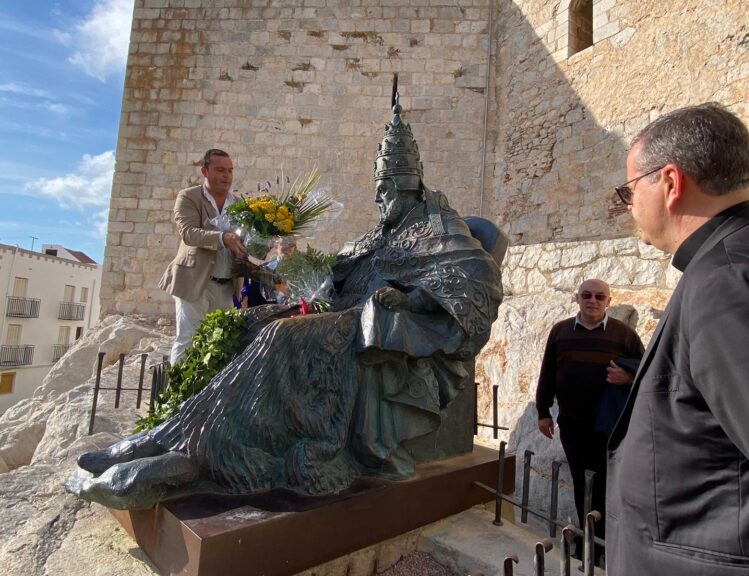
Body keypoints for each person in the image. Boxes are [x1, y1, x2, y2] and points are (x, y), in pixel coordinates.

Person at [68, 94, 503, 510]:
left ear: (409, 186)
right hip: (340, 310)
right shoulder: (381, 231)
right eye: (378, 189)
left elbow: (475, 281)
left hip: (374, 327)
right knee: (254, 320)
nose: (379, 199)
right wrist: (308, 281)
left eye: (386, 190)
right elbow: (339, 269)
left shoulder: (440, 226)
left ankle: (200, 455)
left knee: (281, 334)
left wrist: (411, 298)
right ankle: (166, 437)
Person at [607, 103, 749, 575]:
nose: (629, 205)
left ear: (671, 185)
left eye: (630, 190)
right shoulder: (743, 257)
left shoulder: (729, 282)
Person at [535, 279, 644, 559]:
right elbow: (547, 372)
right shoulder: (560, 331)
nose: (592, 301)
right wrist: (543, 411)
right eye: (586, 295)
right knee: (582, 482)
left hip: (609, 426)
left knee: (607, 484)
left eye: (599, 296)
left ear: (608, 301)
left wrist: (629, 377)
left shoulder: (624, 335)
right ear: (578, 298)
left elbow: (649, 372)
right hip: (572, 423)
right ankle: (587, 546)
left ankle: (604, 547)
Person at [158, 148, 248, 364]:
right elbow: (189, 233)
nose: (226, 175)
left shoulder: (238, 205)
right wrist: (222, 238)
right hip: (196, 281)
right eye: (220, 170)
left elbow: (244, 242)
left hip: (227, 286)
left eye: (230, 170)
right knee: (188, 340)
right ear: (204, 171)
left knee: (219, 343)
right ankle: (178, 397)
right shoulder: (188, 197)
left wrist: (268, 237)